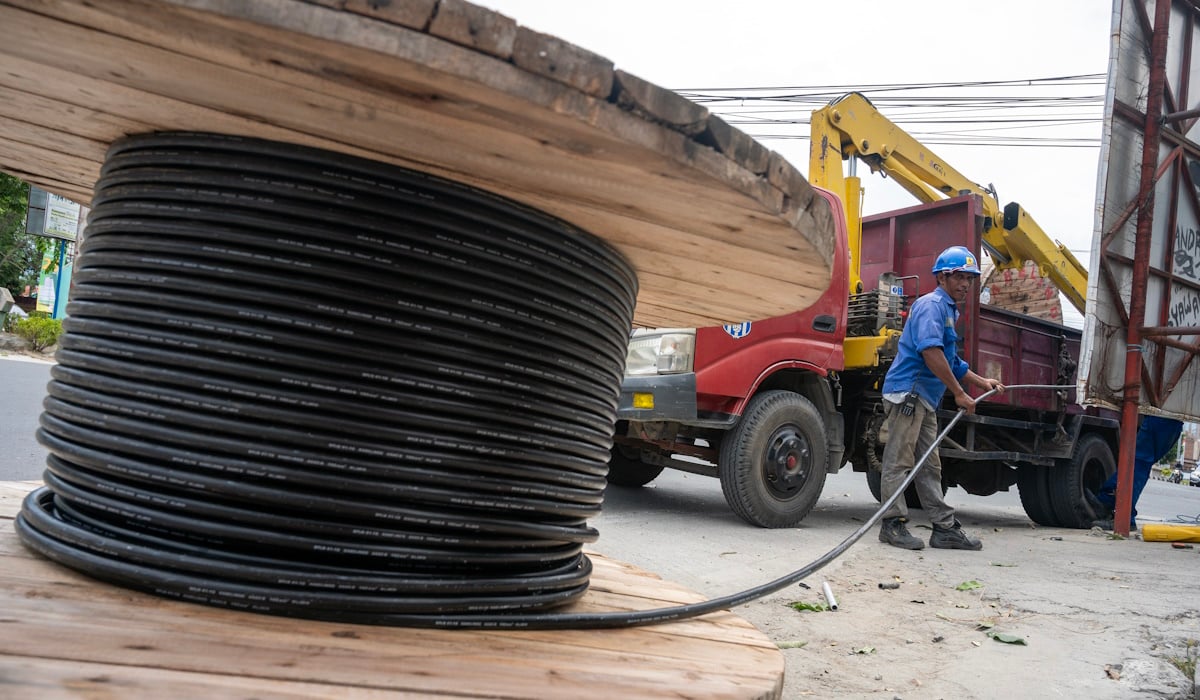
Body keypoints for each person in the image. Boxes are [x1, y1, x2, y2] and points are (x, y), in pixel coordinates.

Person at [877, 245, 1005, 551]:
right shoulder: (931, 306)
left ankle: (943, 528)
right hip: (908, 393)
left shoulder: (948, 309)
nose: (965, 284)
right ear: (942, 277)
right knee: (899, 461)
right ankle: (891, 524)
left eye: (970, 279)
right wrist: (960, 394)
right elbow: (931, 352)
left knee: (930, 465)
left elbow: (951, 360)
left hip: (924, 398)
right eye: (959, 277)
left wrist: (979, 381)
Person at [1087, 415, 1183, 530]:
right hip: (1171, 422)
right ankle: (1108, 502)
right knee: (1140, 463)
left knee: (1138, 462)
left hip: (1160, 419)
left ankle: (1122, 515)